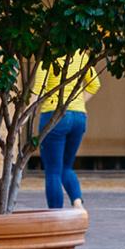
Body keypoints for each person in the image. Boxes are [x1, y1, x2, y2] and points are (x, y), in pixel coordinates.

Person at [35, 52, 100, 210]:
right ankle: (78, 204)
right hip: (78, 116)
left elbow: (38, 90)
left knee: (53, 171)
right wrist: (78, 104)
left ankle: (56, 214)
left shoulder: (48, 56)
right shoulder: (80, 54)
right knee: (66, 166)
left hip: (54, 116)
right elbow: (95, 84)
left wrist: (24, 117)